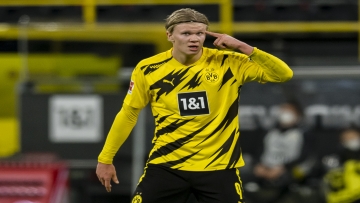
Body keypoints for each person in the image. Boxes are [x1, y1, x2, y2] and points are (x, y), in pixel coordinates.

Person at [96, 8, 293, 203]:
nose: (194, 39)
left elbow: (283, 74)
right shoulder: (149, 69)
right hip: (167, 166)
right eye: (186, 33)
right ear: (170, 35)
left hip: (219, 167)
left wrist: (243, 47)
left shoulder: (228, 62)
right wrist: (106, 158)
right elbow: (129, 113)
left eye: (200, 33)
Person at [248, 101, 316, 203]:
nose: (285, 114)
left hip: (288, 172)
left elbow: (305, 157)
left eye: (289, 111)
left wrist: (283, 169)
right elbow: (258, 151)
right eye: (283, 110)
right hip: (266, 170)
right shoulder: (269, 132)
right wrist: (258, 165)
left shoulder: (303, 134)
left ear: (297, 115)